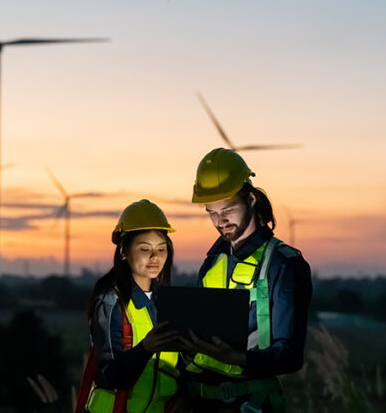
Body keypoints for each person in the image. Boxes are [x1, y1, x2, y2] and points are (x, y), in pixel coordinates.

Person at [181, 148, 313, 413]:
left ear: (251, 199)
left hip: (250, 404)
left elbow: (289, 356)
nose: (221, 221)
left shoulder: (284, 264)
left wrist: (237, 358)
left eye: (228, 209)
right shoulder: (212, 262)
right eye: (212, 212)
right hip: (200, 403)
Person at [84, 199, 180, 413]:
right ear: (123, 251)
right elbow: (110, 375)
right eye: (144, 249)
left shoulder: (168, 303)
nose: (155, 257)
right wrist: (146, 348)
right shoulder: (110, 301)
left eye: (161, 249)